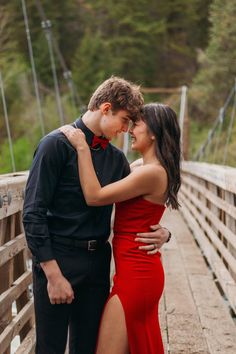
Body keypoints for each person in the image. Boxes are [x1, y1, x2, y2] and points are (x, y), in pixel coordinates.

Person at [23, 77, 171, 354]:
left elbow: (140, 202)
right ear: (105, 109)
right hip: (58, 260)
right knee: (51, 348)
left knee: (88, 347)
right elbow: (32, 213)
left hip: (98, 264)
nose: (126, 130)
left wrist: (164, 232)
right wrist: (53, 275)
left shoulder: (116, 159)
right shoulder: (54, 145)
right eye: (125, 120)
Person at [60, 102, 181, 354]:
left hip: (137, 277)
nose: (130, 130)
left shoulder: (152, 173)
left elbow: (95, 196)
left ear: (154, 132)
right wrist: (166, 234)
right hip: (131, 272)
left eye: (136, 124)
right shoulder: (139, 168)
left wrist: (82, 147)